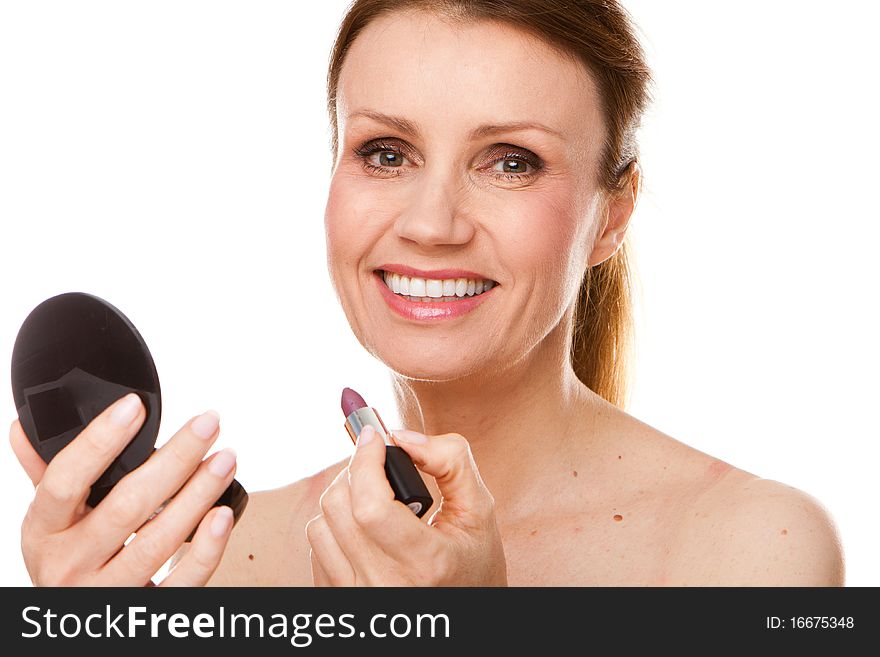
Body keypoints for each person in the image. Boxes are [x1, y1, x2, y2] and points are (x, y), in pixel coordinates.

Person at [9, 0, 844, 586]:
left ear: (611, 216)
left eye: (511, 161)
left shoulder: (757, 549)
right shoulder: (227, 554)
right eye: (385, 153)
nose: (433, 223)